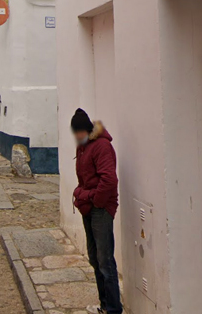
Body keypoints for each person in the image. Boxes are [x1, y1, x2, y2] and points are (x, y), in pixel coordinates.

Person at [71, 108, 122, 314]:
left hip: (100, 209)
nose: (76, 136)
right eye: (74, 132)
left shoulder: (101, 146)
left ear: (87, 130)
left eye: (79, 132)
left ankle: (113, 309)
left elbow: (109, 179)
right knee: (94, 258)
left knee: (105, 261)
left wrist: (95, 200)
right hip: (89, 209)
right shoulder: (83, 148)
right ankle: (104, 306)